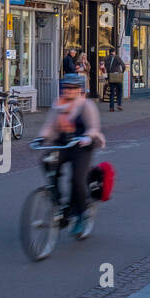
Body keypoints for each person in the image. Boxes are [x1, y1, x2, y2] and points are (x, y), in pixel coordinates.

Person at [37, 76, 105, 239]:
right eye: (66, 88)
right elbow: (50, 126)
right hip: (63, 144)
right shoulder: (58, 104)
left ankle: (81, 213)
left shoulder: (86, 105)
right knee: (47, 162)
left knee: (77, 179)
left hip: (82, 146)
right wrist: (42, 137)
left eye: (73, 88)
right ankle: (59, 204)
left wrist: (87, 136)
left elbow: (93, 127)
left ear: (80, 90)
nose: (68, 91)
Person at [106, 47, 126, 112]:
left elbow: (106, 68)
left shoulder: (106, 58)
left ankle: (111, 108)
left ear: (109, 52)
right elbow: (123, 66)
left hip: (111, 76)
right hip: (117, 76)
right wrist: (122, 72)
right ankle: (119, 105)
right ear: (114, 52)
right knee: (120, 91)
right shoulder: (117, 57)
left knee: (112, 92)